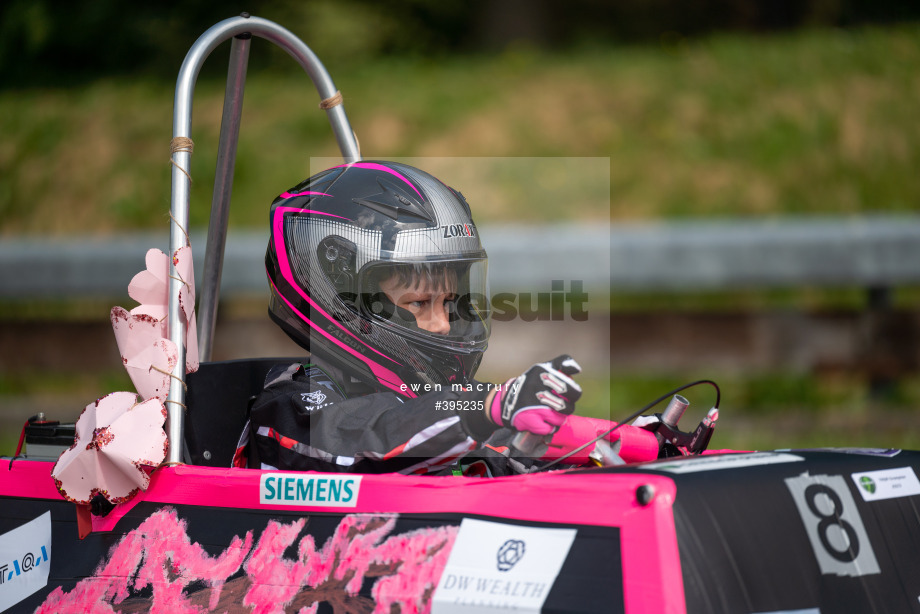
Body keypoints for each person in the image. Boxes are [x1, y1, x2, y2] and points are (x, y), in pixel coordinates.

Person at [241, 161, 654, 475]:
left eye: (450, 302)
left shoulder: (441, 407)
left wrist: (633, 448)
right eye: (420, 304)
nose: (441, 324)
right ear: (344, 301)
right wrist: (486, 406)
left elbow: (512, 453)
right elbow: (372, 436)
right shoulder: (292, 409)